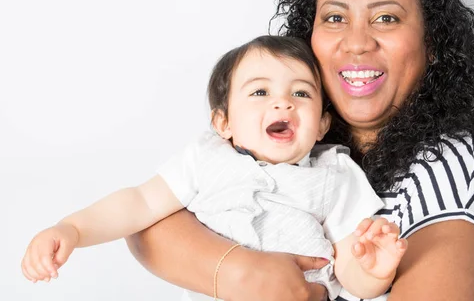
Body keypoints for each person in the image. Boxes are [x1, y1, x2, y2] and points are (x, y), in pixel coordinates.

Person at [126, 0, 474, 301]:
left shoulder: (453, 161)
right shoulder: (291, 138)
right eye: (335, 18)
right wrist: (244, 272)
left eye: (385, 18)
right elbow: (148, 221)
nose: (356, 43)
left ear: (433, 44)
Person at [21, 36, 408, 300]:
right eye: (260, 92)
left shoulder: (334, 176)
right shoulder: (205, 160)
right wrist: (72, 229)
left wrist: (375, 271)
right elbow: (138, 203)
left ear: (322, 124)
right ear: (223, 124)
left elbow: (348, 272)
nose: (283, 104)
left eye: (301, 93)